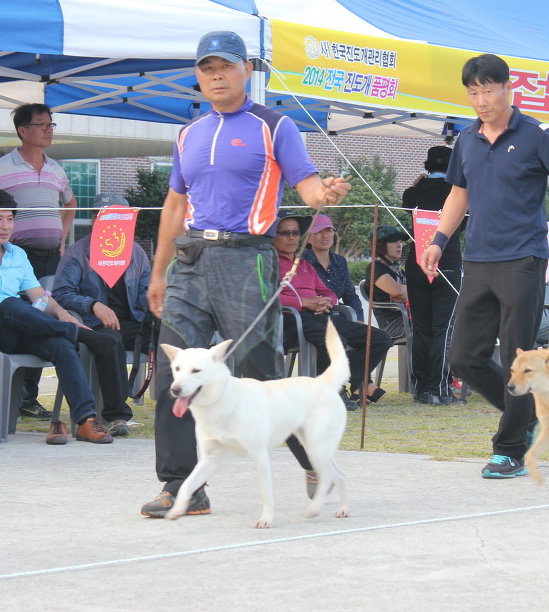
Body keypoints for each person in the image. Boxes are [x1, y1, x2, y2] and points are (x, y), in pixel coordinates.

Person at [140, 31, 351, 518]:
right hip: (190, 261)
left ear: (247, 70)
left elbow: (309, 188)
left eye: (226, 66)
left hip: (247, 260)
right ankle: (180, 487)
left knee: (261, 372)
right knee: (175, 376)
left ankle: (312, 459)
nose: (216, 75)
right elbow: (175, 204)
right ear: (198, 75)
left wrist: (326, 195)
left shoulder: (275, 126)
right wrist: (159, 271)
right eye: (207, 68)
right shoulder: (187, 134)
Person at [419, 53, 549, 480]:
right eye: (473, 92)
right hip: (477, 258)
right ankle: (529, 413)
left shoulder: (533, 135)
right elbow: (459, 194)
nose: (481, 100)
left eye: (488, 90)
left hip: (523, 259)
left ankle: (509, 448)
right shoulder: (468, 140)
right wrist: (439, 240)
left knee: (520, 359)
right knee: (463, 357)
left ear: (507, 89)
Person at [0, 188, 120, 445]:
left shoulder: (17, 254)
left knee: (61, 346)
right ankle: (81, 335)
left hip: (22, 327)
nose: (6, 226)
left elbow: (39, 297)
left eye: (10, 219)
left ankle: (85, 420)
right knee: (11, 304)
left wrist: (64, 315)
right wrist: (6, 312)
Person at [0, 103, 77, 421]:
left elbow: (70, 201)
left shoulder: (56, 169)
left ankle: (30, 397)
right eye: (42, 125)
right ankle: (20, 394)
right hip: (16, 259)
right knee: (22, 317)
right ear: (23, 131)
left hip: (50, 259)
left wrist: (63, 235)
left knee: (40, 313)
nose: (49, 130)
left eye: (52, 124)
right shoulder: (1, 167)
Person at [52, 192, 147, 438]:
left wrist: (160, 306)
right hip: (94, 325)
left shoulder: (136, 252)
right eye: (97, 215)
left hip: (133, 321)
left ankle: (184, 413)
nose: (102, 220)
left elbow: (146, 293)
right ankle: (116, 416)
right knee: (110, 340)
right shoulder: (77, 252)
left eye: (112, 216)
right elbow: (60, 293)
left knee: (173, 334)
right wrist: (93, 304)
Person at [276, 214, 391, 407]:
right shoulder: (269, 262)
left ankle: (356, 381)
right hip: (290, 319)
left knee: (380, 339)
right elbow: (267, 298)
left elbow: (327, 290)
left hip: (321, 314)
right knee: (335, 340)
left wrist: (326, 300)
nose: (292, 237)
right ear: (273, 236)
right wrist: (304, 302)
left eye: (295, 233)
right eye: (285, 233)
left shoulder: (302, 264)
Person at [403, 145, 464, 405]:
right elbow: (464, 224)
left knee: (422, 328)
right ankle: (440, 388)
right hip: (446, 262)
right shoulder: (458, 193)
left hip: (415, 262)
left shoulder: (411, 193)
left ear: (427, 165)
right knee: (443, 329)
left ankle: (421, 387)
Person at [300, 213, 363, 319]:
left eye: (328, 230)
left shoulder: (340, 261)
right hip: (312, 317)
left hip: (339, 314)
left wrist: (358, 319)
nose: (325, 235)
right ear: (308, 239)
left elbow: (351, 297)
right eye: (318, 232)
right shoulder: (301, 262)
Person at [365, 225, 410, 340]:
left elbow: (407, 291)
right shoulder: (375, 267)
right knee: (429, 326)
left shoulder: (397, 269)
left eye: (400, 242)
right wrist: (412, 291)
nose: (399, 245)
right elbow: (398, 291)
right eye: (394, 241)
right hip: (391, 323)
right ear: (381, 245)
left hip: (406, 318)